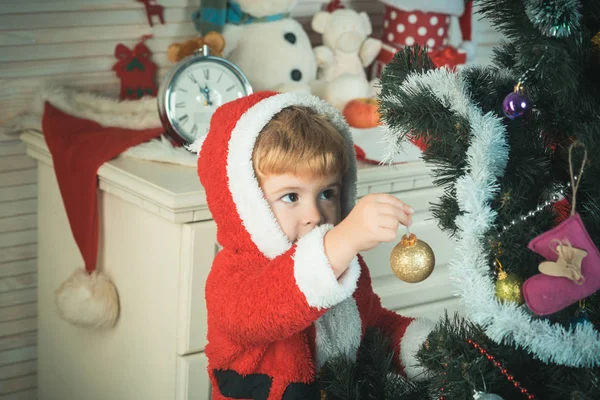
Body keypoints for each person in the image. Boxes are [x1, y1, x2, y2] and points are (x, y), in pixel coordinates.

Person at [196, 91, 433, 400]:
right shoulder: (232, 275)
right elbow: (268, 307)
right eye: (291, 196)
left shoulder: (343, 266)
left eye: (327, 193)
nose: (314, 216)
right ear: (246, 203)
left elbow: (370, 328)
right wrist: (343, 239)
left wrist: (419, 346)